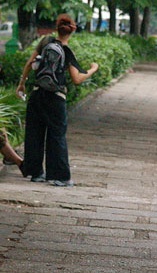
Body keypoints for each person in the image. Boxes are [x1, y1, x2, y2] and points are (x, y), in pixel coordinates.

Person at [16, 14, 99, 186]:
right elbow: (76, 79)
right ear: (72, 30)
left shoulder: (45, 41)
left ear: (56, 28)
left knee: (34, 134)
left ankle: (36, 172)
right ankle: (60, 176)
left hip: (37, 94)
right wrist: (92, 69)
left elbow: (30, 62)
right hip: (56, 98)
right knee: (56, 136)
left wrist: (21, 84)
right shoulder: (67, 51)